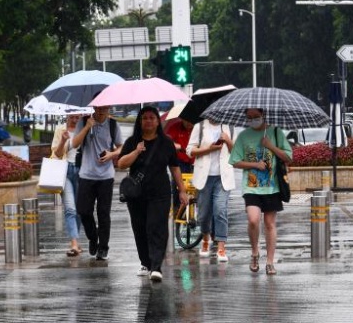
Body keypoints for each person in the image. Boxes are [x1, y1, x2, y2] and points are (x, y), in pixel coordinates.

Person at [117, 106, 189, 282]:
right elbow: (121, 164)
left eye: (151, 117)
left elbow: (174, 167)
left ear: (158, 121)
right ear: (140, 122)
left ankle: (156, 266)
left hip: (160, 193)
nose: (148, 121)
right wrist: (136, 151)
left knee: (156, 227)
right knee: (140, 229)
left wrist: (182, 190)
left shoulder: (166, 143)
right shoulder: (132, 141)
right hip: (137, 195)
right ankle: (147, 262)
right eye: (144, 118)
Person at [228, 108, 292, 275]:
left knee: (270, 224)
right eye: (249, 117)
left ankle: (270, 262)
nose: (252, 120)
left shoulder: (276, 132)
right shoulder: (243, 136)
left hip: (272, 187)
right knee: (253, 220)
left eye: (256, 117)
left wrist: (270, 146)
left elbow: (288, 157)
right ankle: (255, 252)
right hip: (251, 187)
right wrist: (255, 165)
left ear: (263, 115)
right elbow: (235, 161)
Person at [72, 105, 122, 260]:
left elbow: (122, 147)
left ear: (109, 108)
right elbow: (74, 144)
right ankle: (93, 238)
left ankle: (103, 247)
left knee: (103, 213)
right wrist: (87, 127)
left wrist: (112, 154)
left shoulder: (113, 125)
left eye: (104, 108)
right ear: (94, 107)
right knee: (83, 211)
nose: (100, 111)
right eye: (98, 108)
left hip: (106, 177)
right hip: (86, 174)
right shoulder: (84, 121)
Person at [187, 119, 235, 262]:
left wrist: (228, 140)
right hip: (204, 177)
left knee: (220, 210)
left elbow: (237, 153)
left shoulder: (229, 127)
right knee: (204, 213)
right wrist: (209, 149)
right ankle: (206, 239)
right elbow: (190, 150)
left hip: (223, 177)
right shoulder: (199, 126)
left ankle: (221, 246)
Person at [52, 113, 84, 256]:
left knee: (80, 209)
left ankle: (76, 239)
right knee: (70, 207)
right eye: (72, 117)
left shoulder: (85, 130)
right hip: (64, 171)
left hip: (82, 171)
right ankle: (74, 243)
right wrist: (63, 141)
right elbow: (57, 154)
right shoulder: (60, 130)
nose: (75, 120)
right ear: (67, 116)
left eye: (78, 117)